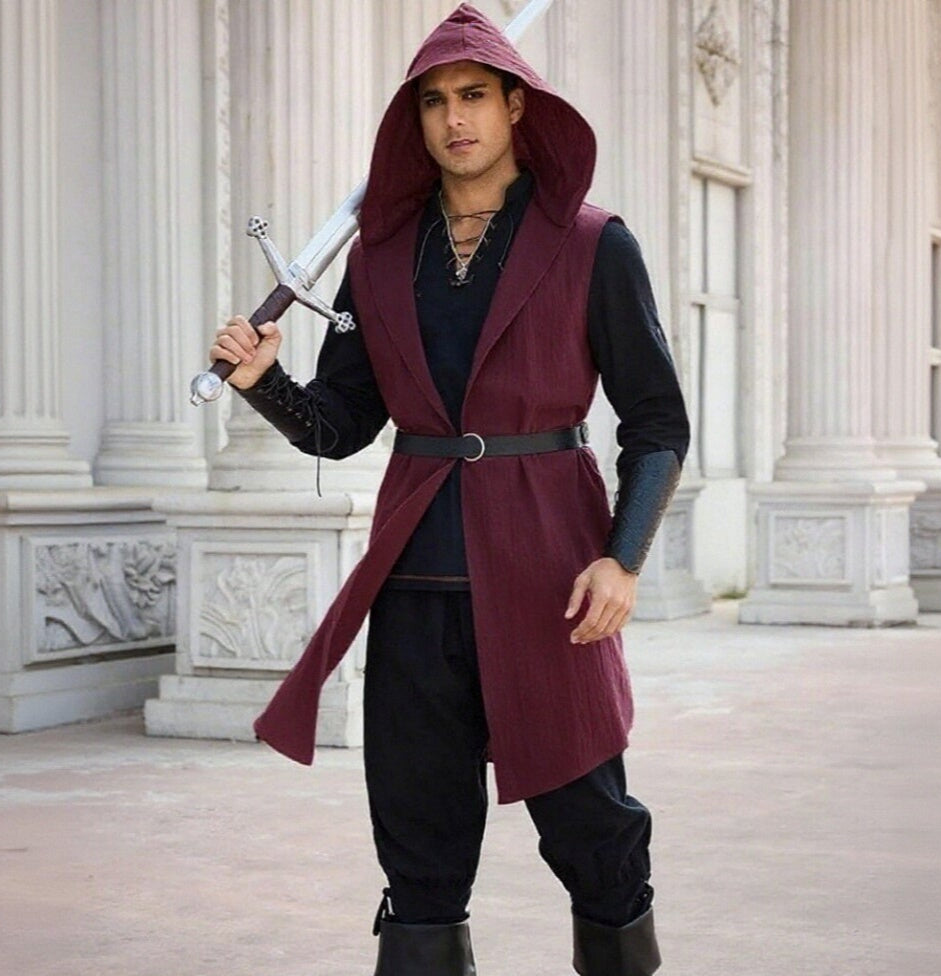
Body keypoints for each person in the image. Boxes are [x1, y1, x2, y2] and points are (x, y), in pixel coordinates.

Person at [209, 5, 688, 974]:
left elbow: (656, 423)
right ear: (415, 120)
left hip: (552, 576)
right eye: (433, 102)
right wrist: (266, 383)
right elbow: (344, 426)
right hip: (416, 581)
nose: (454, 118)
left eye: (473, 95)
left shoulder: (593, 244)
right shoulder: (380, 257)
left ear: (516, 106)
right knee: (418, 845)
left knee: (593, 830)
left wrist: (622, 558)